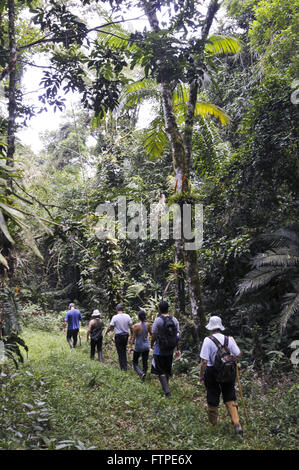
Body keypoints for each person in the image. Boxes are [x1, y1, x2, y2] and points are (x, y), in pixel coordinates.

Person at [199, 315, 242, 435]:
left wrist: (201, 376)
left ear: (211, 327)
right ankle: (237, 423)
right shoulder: (229, 339)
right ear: (220, 326)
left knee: (212, 394)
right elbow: (238, 354)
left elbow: (204, 362)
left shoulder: (208, 340)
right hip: (228, 371)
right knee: (230, 395)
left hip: (212, 372)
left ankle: (213, 425)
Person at [151, 300, 181, 398]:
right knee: (166, 371)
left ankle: (167, 392)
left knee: (160, 371)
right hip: (170, 350)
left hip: (159, 350)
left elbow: (154, 334)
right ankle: (166, 389)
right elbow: (177, 336)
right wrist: (178, 349)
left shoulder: (158, 320)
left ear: (159, 309)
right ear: (168, 308)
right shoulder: (175, 320)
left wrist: (152, 344)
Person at [106, 303, 133, 371]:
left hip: (118, 336)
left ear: (117, 309)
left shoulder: (115, 317)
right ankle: (125, 366)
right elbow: (131, 327)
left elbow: (111, 326)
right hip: (125, 335)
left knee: (120, 352)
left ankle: (123, 368)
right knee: (123, 350)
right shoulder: (127, 316)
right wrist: (132, 335)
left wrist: (106, 332)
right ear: (123, 309)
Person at [129, 310, 152, 382]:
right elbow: (151, 334)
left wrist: (130, 347)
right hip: (146, 346)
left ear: (138, 317)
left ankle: (141, 373)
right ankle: (144, 375)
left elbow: (133, 337)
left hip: (138, 346)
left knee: (135, 361)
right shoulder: (148, 325)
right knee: (145, 361)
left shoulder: (136, 326)